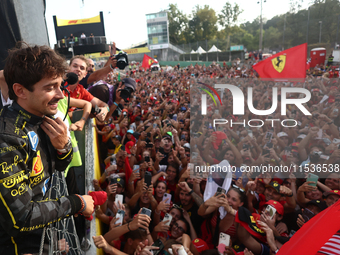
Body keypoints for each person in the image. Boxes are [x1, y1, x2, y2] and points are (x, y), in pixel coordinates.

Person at [0, 44, 94, 254]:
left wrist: (64, 147)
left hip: (45, 238)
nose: (61, 96)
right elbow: (21, 218)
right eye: (51, 87)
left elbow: (58, 169)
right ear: (20, 91)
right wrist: (76, 203)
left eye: (60, 85)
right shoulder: (6, 140)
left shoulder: (44, 118)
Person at [65, 55, 111, 121]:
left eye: (82, 68)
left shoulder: (81, 90)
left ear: (85, 74)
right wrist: (84, 110)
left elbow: (102, 104)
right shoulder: (59, 84)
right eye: (75, 66)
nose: (78, 69)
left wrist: (105, 110)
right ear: (68, 69)